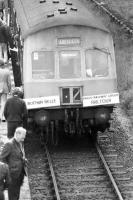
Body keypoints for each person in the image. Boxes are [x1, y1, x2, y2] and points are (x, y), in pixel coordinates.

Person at [0, 127, 27, 200]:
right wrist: (7, 170)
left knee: (16, 193)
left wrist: (23, 159)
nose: (24, 137)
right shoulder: (9, 144)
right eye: (23, 135)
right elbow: (2, 158)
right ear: (17, 134)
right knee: (13, 195)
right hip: (12, 174)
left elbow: (18, 155)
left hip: (19, 174)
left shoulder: (20, 142)